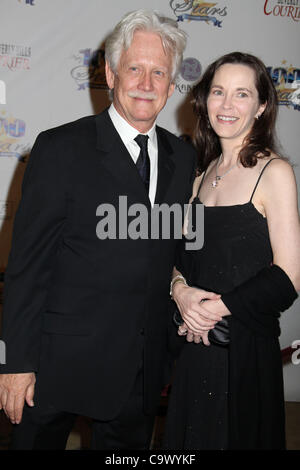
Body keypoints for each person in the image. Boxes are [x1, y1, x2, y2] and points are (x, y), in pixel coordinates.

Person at [0, 10, 215, 450]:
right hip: (54, 366)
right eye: (135, 68)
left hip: (140, 371)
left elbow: (172, 250)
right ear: (111, 72)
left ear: (173, 86)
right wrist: (15, 363)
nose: (146, 83)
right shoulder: (61, 148)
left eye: (159, 72)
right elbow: (27, 266)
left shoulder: (183, 159)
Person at [164, 51, 300, 450]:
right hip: (194, 352)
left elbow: (288, 277)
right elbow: (180, 262)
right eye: (218, 92)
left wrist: (215, 309)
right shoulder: (199, 179)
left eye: (242, 94)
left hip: (243, 355)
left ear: (260, 107)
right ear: (204, 102)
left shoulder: (273, 172)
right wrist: (181, 292)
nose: (227, 104)